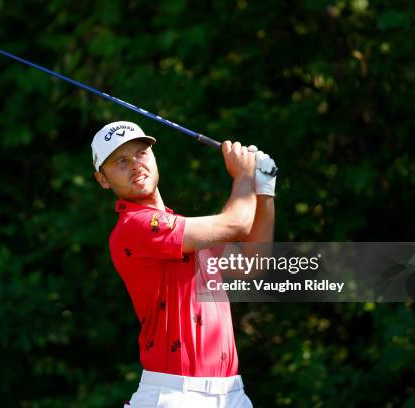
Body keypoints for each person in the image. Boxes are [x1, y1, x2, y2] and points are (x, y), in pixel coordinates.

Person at [91, 121, 276, 407]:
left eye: (141, 153)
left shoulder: (182, 228)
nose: (136, 165)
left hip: (231, 394)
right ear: (103, 179)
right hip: (176, 395)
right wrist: (243, 176)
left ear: (153, 157)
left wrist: (264, 190)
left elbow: (252, 263)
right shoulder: (135, 227)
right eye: (120, 162)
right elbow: (237, 224)